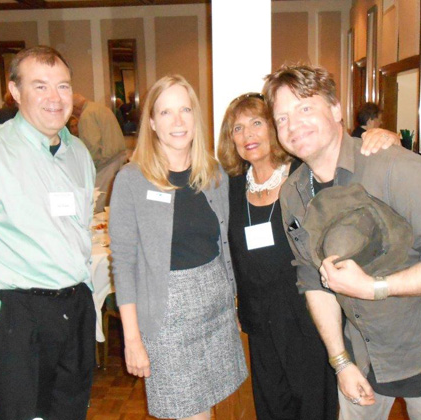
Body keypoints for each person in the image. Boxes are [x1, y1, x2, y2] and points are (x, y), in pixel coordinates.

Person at [264, 64, 421, 420]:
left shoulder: (395, 167)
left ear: (336, 110)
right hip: (362, 355)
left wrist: (375, 288)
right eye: (282, 117)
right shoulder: (293, 193)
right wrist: (340, 362)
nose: (293, 125)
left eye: (305, 108)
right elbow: (312, 281)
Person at [0, 46, 97, 420]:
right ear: (14, 90)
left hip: (76, 308)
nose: (55, 98)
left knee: (71, 413)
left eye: (63, 86)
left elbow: (77, 229)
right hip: (19, 314)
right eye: (40, 86)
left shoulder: (79, 154)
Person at [217, 93, 398, 420]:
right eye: (238, 128)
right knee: (271, 405)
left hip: (309, 316)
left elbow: (346, 156)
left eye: (257, 123)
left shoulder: (302, 175)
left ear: (274, 127)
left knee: (315, 406)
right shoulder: (229, 187)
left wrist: (382, 136)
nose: (248, 135)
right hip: (260, 319)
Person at [109, 75, 247, 420]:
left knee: (207, 410)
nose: (178, 121)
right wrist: (132, 339)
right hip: (166, 317)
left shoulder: (213, 174)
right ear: (152, 122)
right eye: (166, 112)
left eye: (185, 109)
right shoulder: (131, 179)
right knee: (187, 413)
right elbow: (123, 264)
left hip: (215, 311)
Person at [72, 93, 126, 211]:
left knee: (97, 201)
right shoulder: (102, 108)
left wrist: (90, 169)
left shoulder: (87, 115)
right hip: (119, 157)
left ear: (75, 108)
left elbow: (91, 145)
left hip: (106, 162)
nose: (74, 116)